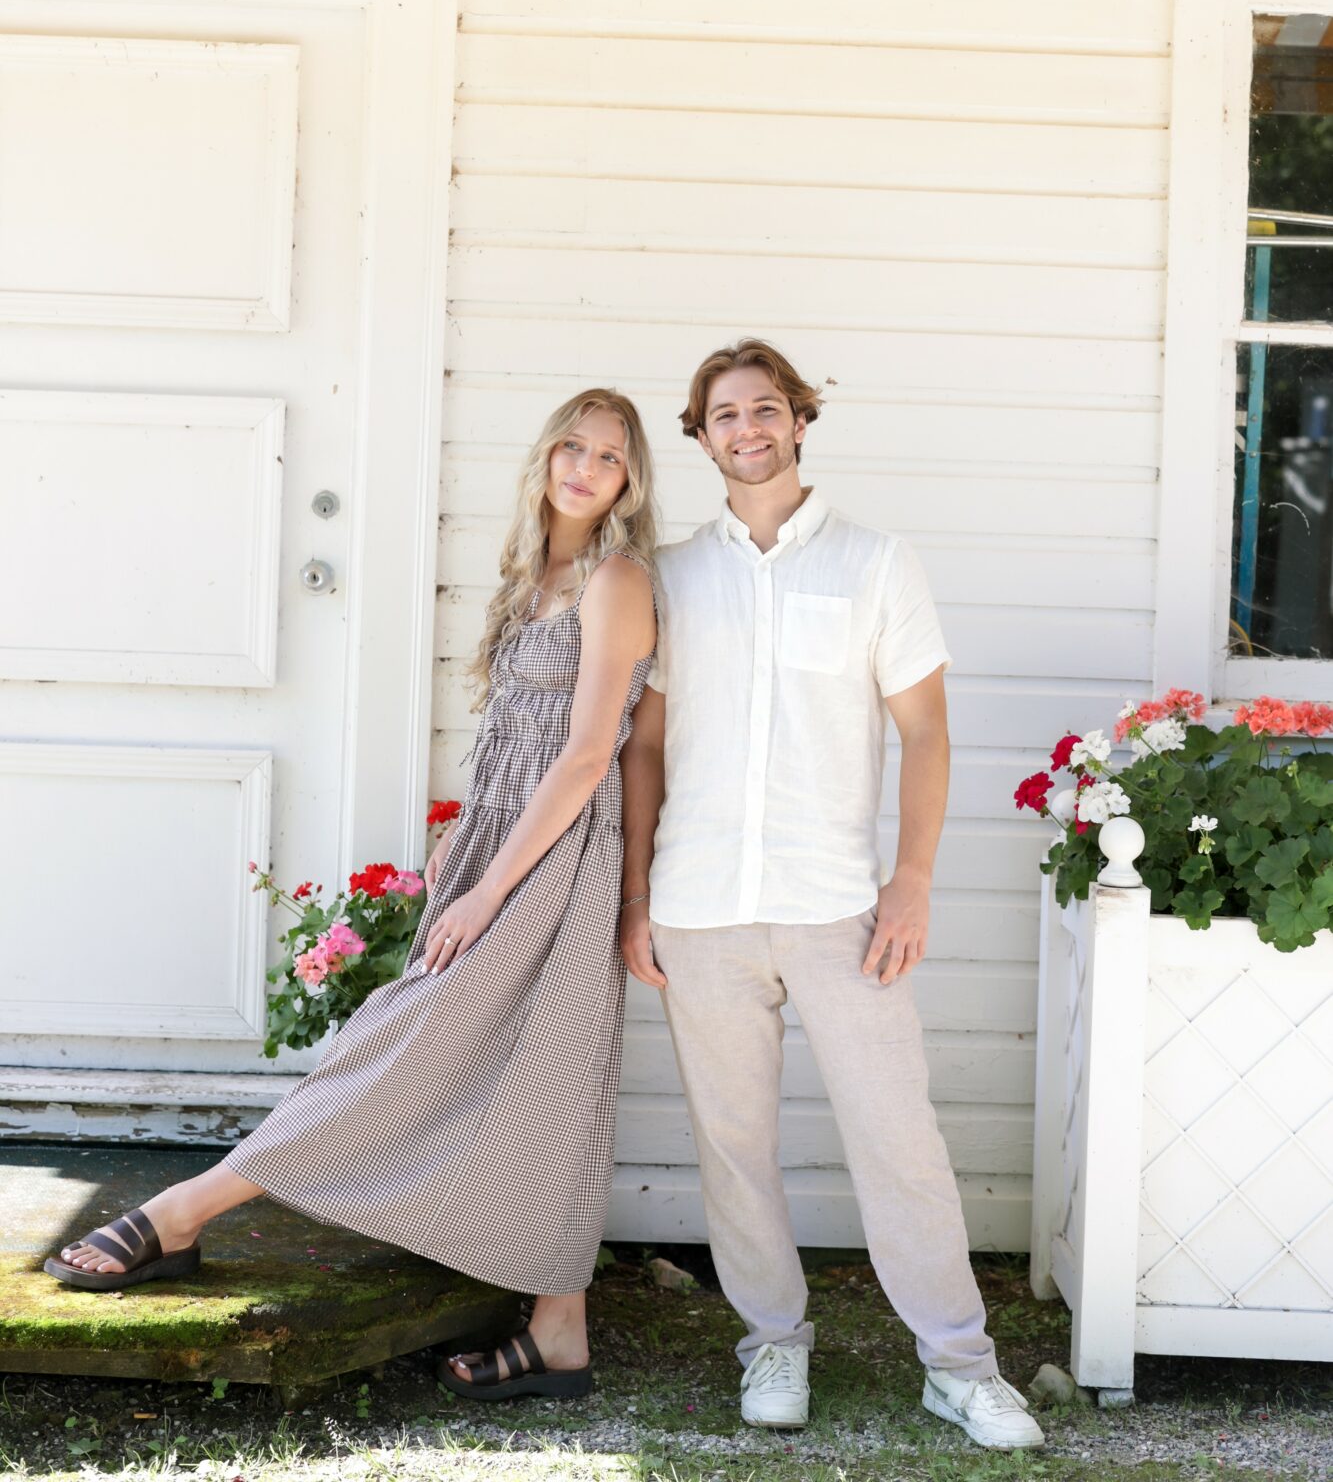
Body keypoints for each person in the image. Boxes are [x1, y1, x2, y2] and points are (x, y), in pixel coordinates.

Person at [48, 390, 658, 1403]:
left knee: (408, 1042)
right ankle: (561, 1328)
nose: (586, 466)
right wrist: (470, 859)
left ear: (631, 480)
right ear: (545, 453)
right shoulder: (533, 576)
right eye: (572, 444)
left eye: (610, 455)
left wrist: (509, 891)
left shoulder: (617, 576)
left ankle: (190, 1207)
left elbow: (600, 749)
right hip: (502, 846)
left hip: (551, 862)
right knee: (542, 1073)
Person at [617, 339, 1043, 1451]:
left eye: (766, 408)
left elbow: (925, 733)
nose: (746, 428)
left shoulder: (875, 561)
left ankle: (959, 1362)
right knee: (732, 1141)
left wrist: (910, 882)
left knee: (898, 1136)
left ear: (800, 421)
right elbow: (646, 746)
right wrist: (635, 897)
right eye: (724, 414)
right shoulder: (672, 573)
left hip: (839, 904)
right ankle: (772, 1341)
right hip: (700, 901)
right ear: (699, 435)